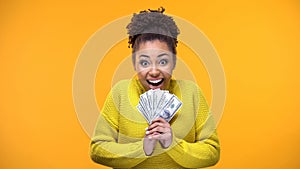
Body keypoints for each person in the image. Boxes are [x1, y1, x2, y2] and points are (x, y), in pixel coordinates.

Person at [90, 7, 220, 169]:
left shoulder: (191, 92)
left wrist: (173, 144)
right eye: (144, 62)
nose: (154, 71)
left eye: (163, 61)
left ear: (173, 62)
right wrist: (142, 148)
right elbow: (98, 149)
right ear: (134, 64)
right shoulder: (120, 92)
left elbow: (212, 151)